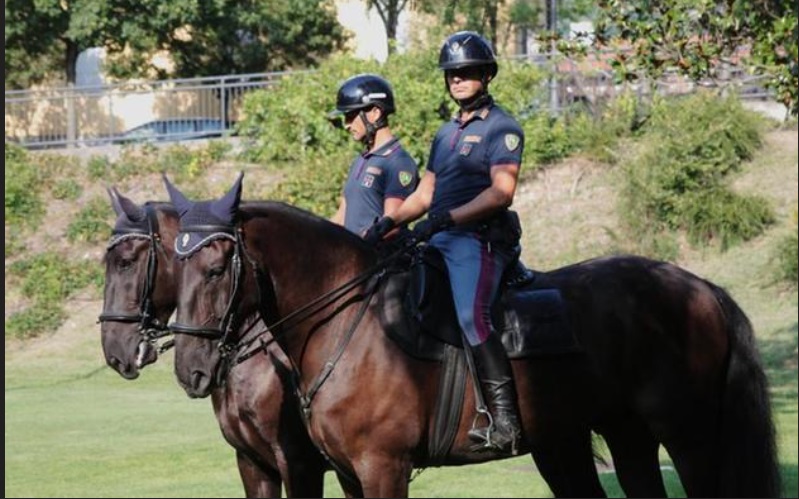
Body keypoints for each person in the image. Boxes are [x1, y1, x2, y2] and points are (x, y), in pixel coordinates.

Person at [364, 31, 524, 454]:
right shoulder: (444, 134)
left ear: (486, 75)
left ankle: (506, 421)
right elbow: (424, 195)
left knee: (473, 316)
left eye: (466, 72)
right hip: (440, 236)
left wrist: (448, 219)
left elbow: (501, 193)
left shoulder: (502, 127)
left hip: (478, 239)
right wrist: (388, 221)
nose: (457, 80)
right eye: (452, 74)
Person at [327, 73, 419, 240]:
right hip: (353, 260)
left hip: (380, 260)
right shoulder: (360, 160)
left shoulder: (398, 162)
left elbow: (392, 225)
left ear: (375, 113)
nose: (347, 125)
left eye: (350, 116)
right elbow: (342, 217)